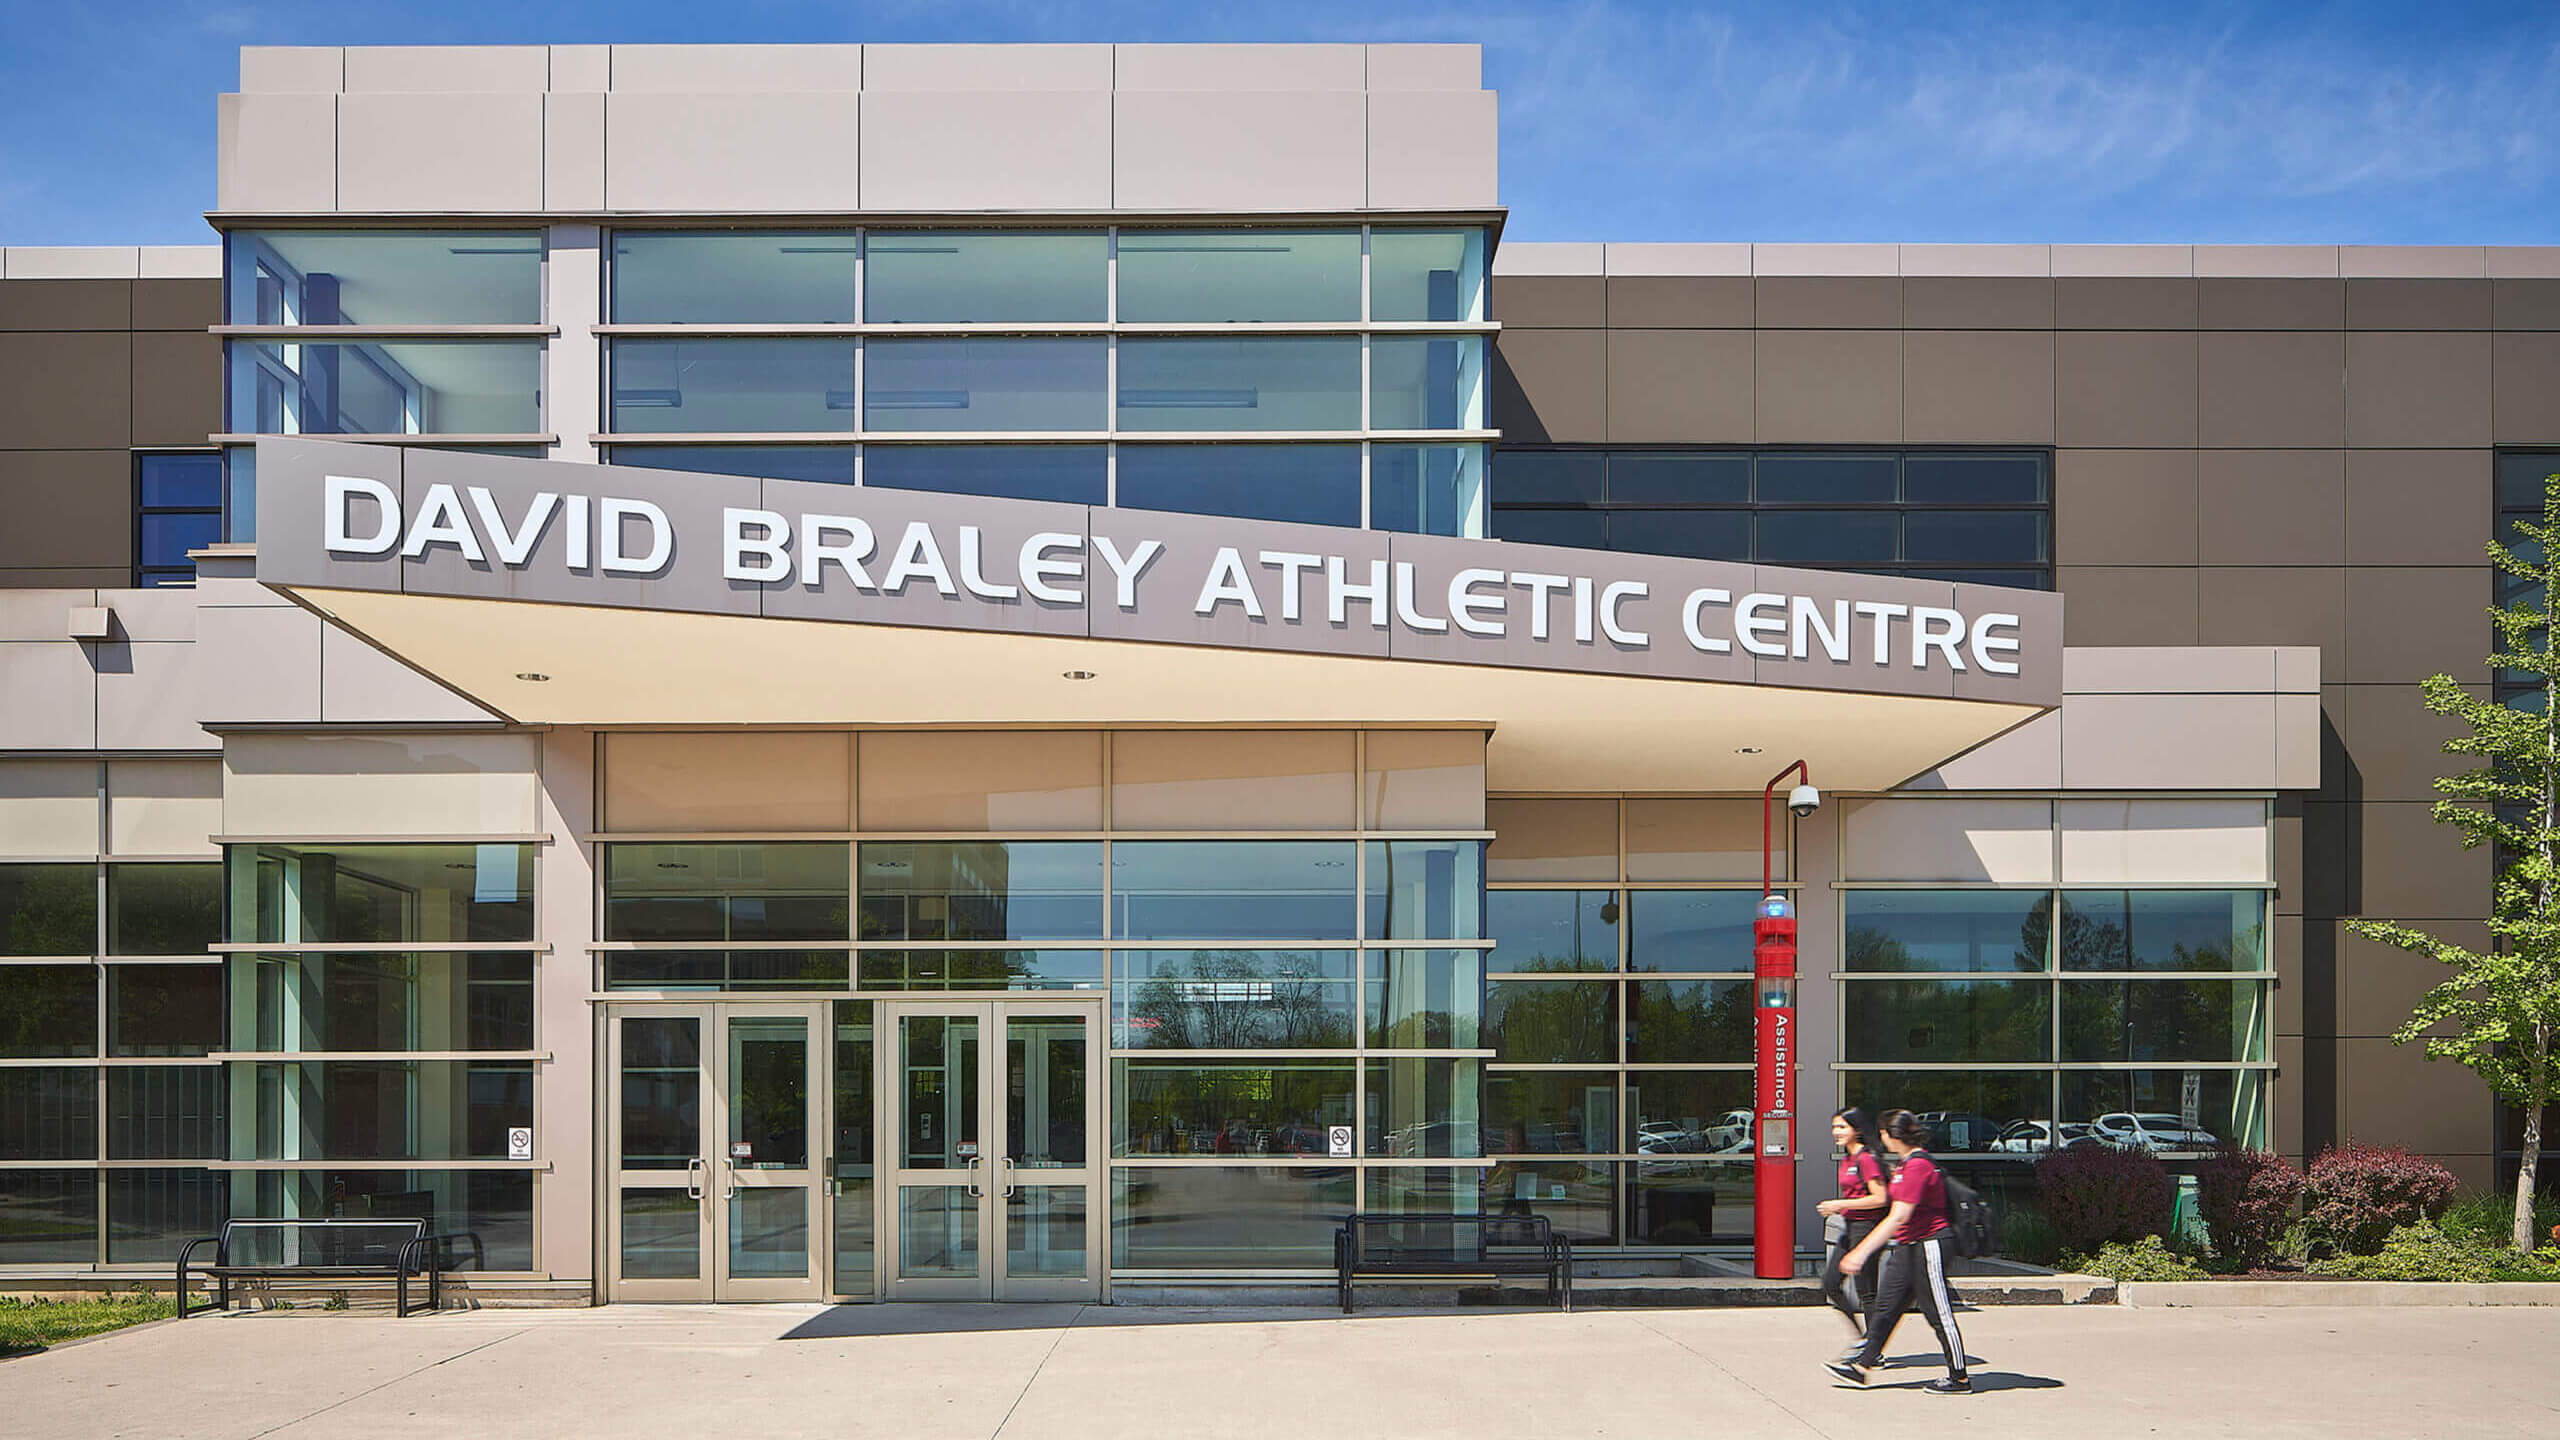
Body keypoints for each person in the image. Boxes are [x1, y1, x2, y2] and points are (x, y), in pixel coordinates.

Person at [1827, 1109, 1972, 1395]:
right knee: (1886, 1308)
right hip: (1908, 1245)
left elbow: (1898, 1215)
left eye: (1883, 1133)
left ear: (1894, 1135)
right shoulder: (1904, 1165)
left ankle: (1960, 1378)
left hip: (1929, 1243)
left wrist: (1861, 1252)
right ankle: (1861, 1367)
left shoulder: (1918, 1166)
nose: (1881, 1138)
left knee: (1938, 1313)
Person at [1815, 1107, 1889, 1349]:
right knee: (1830, 1283)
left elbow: (1880, 1198)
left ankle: (1873, 1348)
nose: (1835, 1132)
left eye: (1842, 1127)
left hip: (1867, 1227)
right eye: (1834, 1127)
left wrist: (1839, 1204)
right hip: (1850, 1226)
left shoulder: (1866, 1158)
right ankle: (1862, 1338)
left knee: (1866, 1290)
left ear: (1856, 1130)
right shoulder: (1847, 1159)